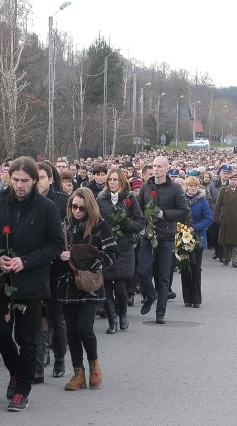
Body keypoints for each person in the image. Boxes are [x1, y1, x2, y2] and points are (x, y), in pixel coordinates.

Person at [0, 157, 64, 412]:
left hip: (31, 281)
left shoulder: (46, 207)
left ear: (34, 181)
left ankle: (22, 390)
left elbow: (55, 245)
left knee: (27, 338)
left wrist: (26, 261)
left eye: (24, 181)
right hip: (2, 280)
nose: (18, 185)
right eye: (15, 180)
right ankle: (17, 371)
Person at [58, 188, 119, 390]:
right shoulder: (64, 225)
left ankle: (93, 364)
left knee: (85, 327)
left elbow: (113, 252)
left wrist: (96, 265)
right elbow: (53, 249)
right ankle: (78, 373)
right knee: (72, 332)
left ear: (89, 208)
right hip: (68, 282)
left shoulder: (100, 226)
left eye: (81, 208)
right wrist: (60, 256)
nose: (76, 210)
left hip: (91, 283)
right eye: (73, 206)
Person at [137, 156, 189, 324]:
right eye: (154, 166)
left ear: (167, 168)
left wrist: (164, 214)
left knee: (164, 276)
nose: (156, 169)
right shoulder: (146, 186)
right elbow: (138, 208)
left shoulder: (175, 188)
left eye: (160, 166)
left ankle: (161, 312)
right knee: (142, 271)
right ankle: (151, 295)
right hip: (148, 235)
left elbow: (183, 211)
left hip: (166, 236)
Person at [96, 168, 144, 333]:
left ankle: (123, 312)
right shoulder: (101, 199)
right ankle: (112, 321)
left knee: (120, 287)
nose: (112, 183)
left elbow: (140, 222)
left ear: (122, 181)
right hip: (106, 247)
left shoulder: (130, 199)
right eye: (110, 180)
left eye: (115, 179)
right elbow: (95, 221)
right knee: (107, 286)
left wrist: (127, 226)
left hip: (124, 248)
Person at [36, 162, 70, 380]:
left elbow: (70, 231)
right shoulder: (26, 201)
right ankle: (40, 358)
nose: (38, 182)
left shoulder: (62, 201)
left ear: (50, 179)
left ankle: (59, 357)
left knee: (56, 315)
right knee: (37, 316)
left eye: (41, 177)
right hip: (35, 266)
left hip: (56, 266)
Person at [180, 176, 213, 307]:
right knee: (185, 268)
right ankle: (187, 298)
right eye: (191, 186)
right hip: (182, 238)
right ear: (186, 187)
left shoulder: (202, 201)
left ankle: (196, 299)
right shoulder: (181, 199)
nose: (193, 188)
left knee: (196, 269)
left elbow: (208, 218)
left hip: (197, 238)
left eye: (195, 186)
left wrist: (195, 227)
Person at [213, 171, 237, 268]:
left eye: (235, 180)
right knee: (226, 241)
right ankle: (226, 258)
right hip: (225, 218)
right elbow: (218, 206)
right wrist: (216, 218)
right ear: (229, 180)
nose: (233, 181)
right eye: (231, 179)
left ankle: (235, 260)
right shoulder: (223, 190)